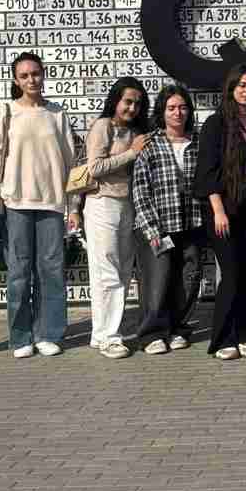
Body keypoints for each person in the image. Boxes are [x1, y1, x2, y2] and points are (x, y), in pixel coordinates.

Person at [0, 52, 78, 359]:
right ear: (15, 80)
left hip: (51, 203)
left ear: (43, 74)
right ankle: (20, 337)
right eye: (24, 75)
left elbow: (71, 163)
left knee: (51, 271)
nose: (31, 80)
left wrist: (73, 206)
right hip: (16, 202)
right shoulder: (6, 112)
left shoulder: (56, 113)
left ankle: (49, 333)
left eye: (36, 73)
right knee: (19, 272)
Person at [193, 63, 246, 360]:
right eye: (242, 85)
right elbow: (207, 172)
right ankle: (223, 338)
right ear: (231, 88)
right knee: (232, 271)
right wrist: (218, 211)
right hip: (224, 206)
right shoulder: (217, 123)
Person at [80, 77, 150, 359]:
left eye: (137, 103)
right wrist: (131, 153)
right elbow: (94, 168)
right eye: (127, 101)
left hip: (127, 205)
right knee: (107, 272)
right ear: (116, 101)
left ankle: (100, 334)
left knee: (119, 272)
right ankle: (111, 336)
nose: (132, 108)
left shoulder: (135, 131)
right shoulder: (103, 126)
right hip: (102, 203)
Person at [132, 85, 205, 354]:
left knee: (189, 277)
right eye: (171, 107)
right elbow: (140, 187)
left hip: (192, 223)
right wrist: (150, 227)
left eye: (183, 107)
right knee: (157, 279)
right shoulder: (149, 143)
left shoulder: (197, 142)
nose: (178, 112)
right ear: (162, 112)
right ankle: (152, 334)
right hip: (159, 225)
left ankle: (178, 328)